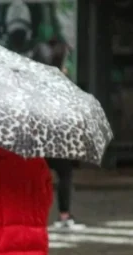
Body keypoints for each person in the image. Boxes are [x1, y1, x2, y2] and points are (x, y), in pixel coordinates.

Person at [33, 37, 86, 230]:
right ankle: (64, 216)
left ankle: (35, 215)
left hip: (42, 138)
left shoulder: (39, 80)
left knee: (40, 176)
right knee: (64, 174)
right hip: (57, 137)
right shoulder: (59, 83)